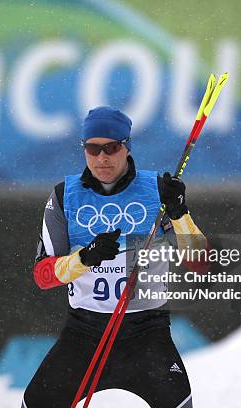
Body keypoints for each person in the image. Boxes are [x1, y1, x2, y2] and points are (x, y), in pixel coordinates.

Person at [22, 106, 207, 408]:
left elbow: (201, 263)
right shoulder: (63, 196)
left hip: (147, 333)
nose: (102, 158)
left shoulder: (158, 191)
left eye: (111, 147)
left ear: (127, 147)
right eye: (93, 149)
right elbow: (43, 276)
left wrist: (179, 214)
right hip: (85, 333)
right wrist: (84, 258)